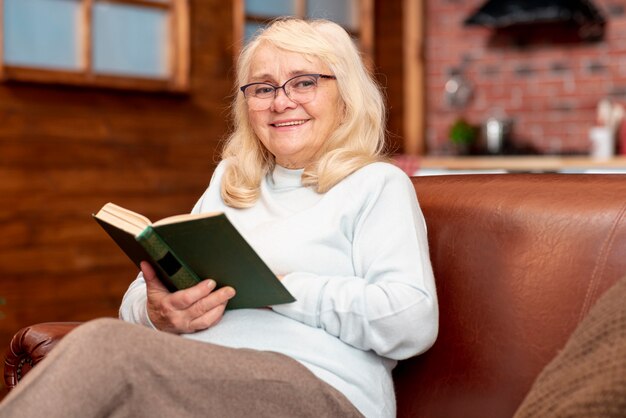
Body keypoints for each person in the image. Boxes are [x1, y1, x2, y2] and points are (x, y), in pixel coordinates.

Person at [0, 18, 438, 418]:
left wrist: (278, 287)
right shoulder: (234, 180)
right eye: (263, 88)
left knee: (102, 347)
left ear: (345, 94)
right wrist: (158, 312)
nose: (281, 102)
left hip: (320, 389)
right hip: (199, 382)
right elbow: (139, 295)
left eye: (303, 83)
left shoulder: (375, 184)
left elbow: (410, 321)